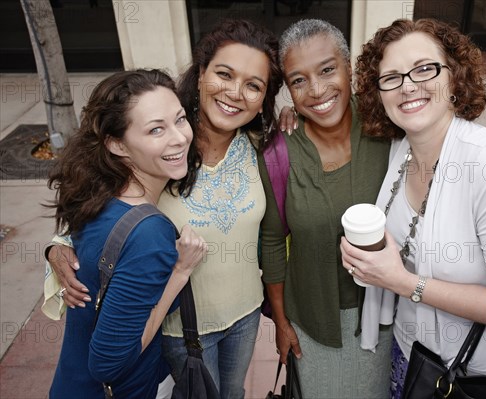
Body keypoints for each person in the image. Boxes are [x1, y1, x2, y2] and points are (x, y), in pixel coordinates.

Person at [46, 19, 283, 398]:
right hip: (177, 328)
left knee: (233, 392)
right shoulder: (164, 149)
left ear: (264, 98)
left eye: (254, 85)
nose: (236, 93)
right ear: (202, 74)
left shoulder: (263, 146)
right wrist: (57, 245)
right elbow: (102, 204)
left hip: (245, 314)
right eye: (224, 74)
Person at [341, 18, 486, 399]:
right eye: (391, 77)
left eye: (424, 69)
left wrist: (401, 281)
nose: (408, 85)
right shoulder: (400, 150)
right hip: (417, 360)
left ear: (454, 77)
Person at [47, 69, 207, 398]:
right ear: (117, 144)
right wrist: (181, 271)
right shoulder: (149, 234)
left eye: (179, 119)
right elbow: (108, 363)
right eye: (155, 130)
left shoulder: (96, 193)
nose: (179, 137)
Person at [259, 19, 392, 398]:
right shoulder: (278, 152)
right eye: (298, 80)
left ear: (349, 67)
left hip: (389, 313)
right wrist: (281, 322)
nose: (316, 91)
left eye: (327, 70)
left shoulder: (387, 126)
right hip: (313, 324)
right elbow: (271, 242)